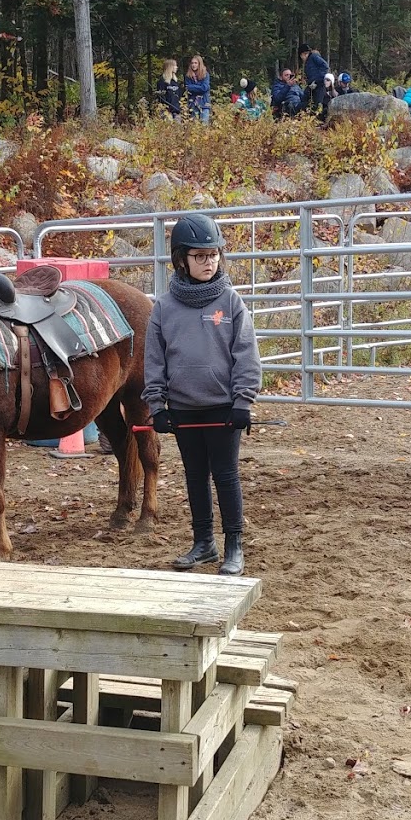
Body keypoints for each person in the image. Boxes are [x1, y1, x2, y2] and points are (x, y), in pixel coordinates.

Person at [142, 213, 261, 577]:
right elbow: (155, 357)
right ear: (182, 259)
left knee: (225, 476)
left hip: (223, 408)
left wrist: (243, 400)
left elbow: (246, 353)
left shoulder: (231, 302)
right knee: (195, 476)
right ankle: (203, 542)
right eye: (200, 256)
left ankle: (233, 545)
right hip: (183, 408)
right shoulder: (164, 307)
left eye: (213, 255)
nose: (208, 262)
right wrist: (157, 404)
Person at [298, 44, 329, 116]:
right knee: (305, 100)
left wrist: (317, 81)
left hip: (319, 85)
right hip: (312, 86)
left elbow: (325, 67)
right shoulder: (308, 62)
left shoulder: (314, 57)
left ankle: (318, 119)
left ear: (303, 54)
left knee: (317, 104)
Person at [184, 55, 211, 124]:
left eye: (195, 63)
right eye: (192, 63)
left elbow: (204, 88)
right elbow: (188, 88)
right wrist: (199, 87)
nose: (193, 65)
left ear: (199, 64)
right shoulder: (188, 75)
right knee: (194, 125)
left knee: (204, 124)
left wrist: (193, 87)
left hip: (204, 103)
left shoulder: (205, 74)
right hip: (193, 103)